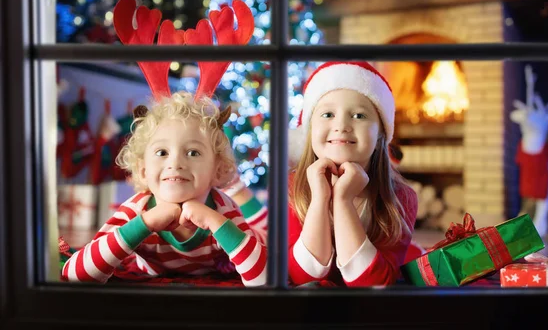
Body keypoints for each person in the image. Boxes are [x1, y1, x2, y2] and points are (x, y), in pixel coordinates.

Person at [61, 92, 267, 287]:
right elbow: (75, 276)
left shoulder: (223, 210)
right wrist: (146, 223)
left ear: (217, 170)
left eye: (193, 152)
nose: (175, 162)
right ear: (142, 171)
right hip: (148, 269)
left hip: (227, 259)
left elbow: (266, 280)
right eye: (162, 152)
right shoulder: (136, 210)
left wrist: (213, 220)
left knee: (266, 240)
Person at [287, 61, 418, 287]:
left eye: (359, 116)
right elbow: (302, 279)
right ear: (309, 130)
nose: (341, 125)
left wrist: (343, 200)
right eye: (327, 114)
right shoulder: (290, 188)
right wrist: (320, 199)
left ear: (380, 135)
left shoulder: (400, 197)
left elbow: (374, 284)